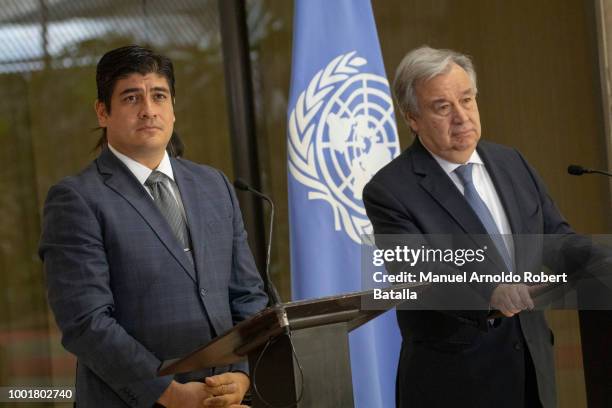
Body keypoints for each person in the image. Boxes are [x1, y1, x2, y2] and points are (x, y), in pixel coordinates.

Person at [39, 45, 268, 408]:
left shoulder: (215, 185)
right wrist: (170, 394)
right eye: (131, 97)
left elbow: (248, 298)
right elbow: (86, 323)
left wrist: (241, 374)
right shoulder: (76, 199)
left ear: (173, 107)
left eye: (158, 95)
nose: (148, 109)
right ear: (103, 112)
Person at [363, 46, 573, 408]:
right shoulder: (390, 190)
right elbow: (419, 273)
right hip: (455, 383)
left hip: (531, 374)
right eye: (443, 107)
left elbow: (557, 238)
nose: (461, 117)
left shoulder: (512, 162)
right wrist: (490, 289)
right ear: (412, 117)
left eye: (467, 100)